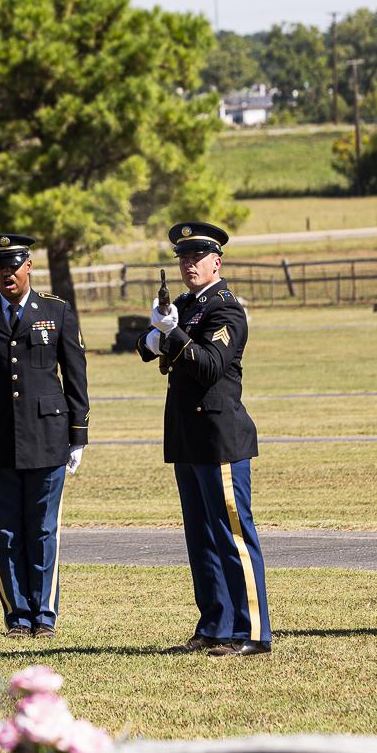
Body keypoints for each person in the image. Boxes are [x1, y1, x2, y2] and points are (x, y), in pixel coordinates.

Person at [136, 222, 271, 657]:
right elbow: (145, 346)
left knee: (233, 534)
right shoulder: (185, 305)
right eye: (183, 258)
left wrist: (171, 335)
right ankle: (215, 624)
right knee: (202, 537)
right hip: (188, 435)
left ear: (217, 261)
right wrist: (157, 333)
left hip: (219, 435)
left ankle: (252, 632)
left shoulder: (226, 309)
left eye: (197, 257)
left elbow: (210, 364)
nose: (189, 264)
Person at [0, 234, 89, 638]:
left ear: (28, 266)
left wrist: (79, 434)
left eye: (13, 265)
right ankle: (17, 614)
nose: (6, 274)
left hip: (47, 436)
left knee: (44, 529)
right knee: (6, 532)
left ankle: (44, 614)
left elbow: (75, 375)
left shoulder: (56, 311)